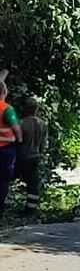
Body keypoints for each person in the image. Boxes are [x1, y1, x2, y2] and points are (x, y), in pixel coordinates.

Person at [17, 97, 47, 216]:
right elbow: (44, 144)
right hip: (34, 156)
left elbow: (17, 141)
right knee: (33, 184)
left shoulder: (22, 123)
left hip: (22, 156)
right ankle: (32, 208)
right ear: (36, 109)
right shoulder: (42, 124)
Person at [0, 81, 22, 216]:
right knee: (2, 180)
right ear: (4, 92)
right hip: (5, 150)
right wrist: (19, 141)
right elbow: (16, 128)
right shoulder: (6, 109)